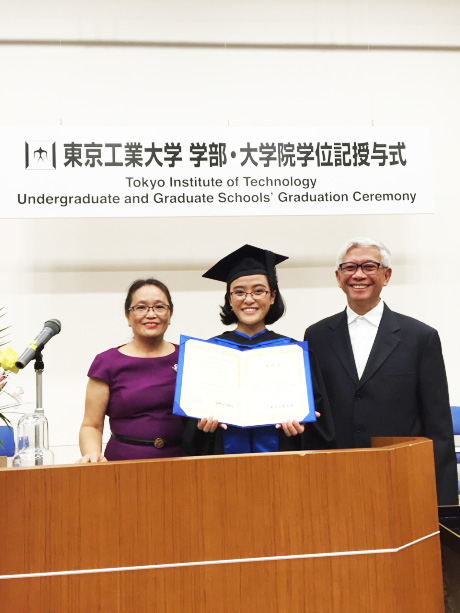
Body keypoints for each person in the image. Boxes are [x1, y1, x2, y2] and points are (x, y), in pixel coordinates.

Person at [304, 237, 458, 505]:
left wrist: (443, 502)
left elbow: (438, 424)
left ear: (386, 275)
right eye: (350, 267)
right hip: (335, 477)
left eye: (369, 266)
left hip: (399, 477)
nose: (358, 274)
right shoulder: (316, 336)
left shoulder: (420, 337)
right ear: (338, 277)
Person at [182, 244, 335, 455]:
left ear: (272, 297)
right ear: (229, 299)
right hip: (221, 469)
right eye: (239, 292)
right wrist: (200, 427)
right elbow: (188, 427)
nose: (249, 299)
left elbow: (320, 424)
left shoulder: (294, 354)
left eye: (259, 291)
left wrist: (302, 429)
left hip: (282, 466)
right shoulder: (209, 353)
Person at [78, 278, 183, 462]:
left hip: (183, 462)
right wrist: (92, 454)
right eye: (141, 307)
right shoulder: (107, 362)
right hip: (123, 464)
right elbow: (91, 425)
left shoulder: (188, 356)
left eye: (159, 307)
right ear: (128, 316)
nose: (151, 314)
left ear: (170, 314)